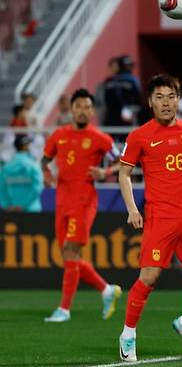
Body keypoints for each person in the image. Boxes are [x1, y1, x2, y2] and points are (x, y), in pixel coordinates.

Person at [117, 74, 182, 362]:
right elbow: (124, 173)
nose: (166, 102)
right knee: (148, 277)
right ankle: (128, 335)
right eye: (160, 96)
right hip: (159, 217)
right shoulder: (139, 135)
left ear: (178, 99)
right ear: (150, 102)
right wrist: (132, 210)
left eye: (171, 96)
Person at [41, 89, 123, 322]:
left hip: (84, 202)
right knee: (68, 255)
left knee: (70, 251)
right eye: (79, 106)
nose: (83, 110)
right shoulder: (58, 135)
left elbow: (124, 163)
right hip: (62, 201)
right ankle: (107, 290)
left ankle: (64, 309)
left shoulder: (100, 138)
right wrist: (46, 172)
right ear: (72, 109)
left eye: (87, 106)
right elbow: (44, 160)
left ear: (92, 110)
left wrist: (105, 171)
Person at [0, 135, 43, 212]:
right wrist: (23, 205)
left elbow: (2, 189)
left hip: (11, 212)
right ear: (25, 146)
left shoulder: (6, 167)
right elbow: (37, 187)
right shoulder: (33, 165)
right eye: (29, 145)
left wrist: (8, 206)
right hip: (31, 210)